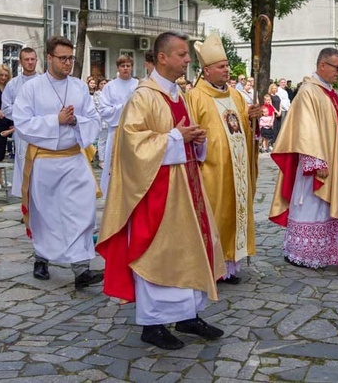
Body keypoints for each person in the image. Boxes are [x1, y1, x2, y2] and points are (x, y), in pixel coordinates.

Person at [97, 31, 225, 351]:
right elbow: (132, 147)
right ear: (163, 58)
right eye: (182, 55)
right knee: (160, 254)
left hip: (186, 187)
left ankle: (188, 315)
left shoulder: (178, 94)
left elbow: (184, 135)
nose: (187, 60)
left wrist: (195, 139)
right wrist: (176, 139)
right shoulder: (143, 97)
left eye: (187, 55)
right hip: (156, 192)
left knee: (190, 250)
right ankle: (152, 324)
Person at [268, 49, 338, 271]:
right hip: (317, 164)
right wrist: (315, 163)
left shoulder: (328, 92)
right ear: (322, 66)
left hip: (337, 159)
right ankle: (304, 252)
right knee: (314, 205)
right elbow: (304, 130)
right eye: (336, 68)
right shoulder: (308, 91)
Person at [13, 36, 103, 289]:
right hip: (45, 160)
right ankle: (41, 258)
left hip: (74, 157)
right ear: (49, 58)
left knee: (83, 211)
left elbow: (94, 119)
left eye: (71, 58)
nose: (68, 63)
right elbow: (21, 124)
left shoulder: (78, 87)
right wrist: (56, 120)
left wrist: (76, 122)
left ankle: (81, 269)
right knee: (46, 214)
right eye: (62, 58)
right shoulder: (31, 89)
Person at [186, 33, 260, 284]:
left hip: (236, 169)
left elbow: (244, 130)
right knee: (216, 215)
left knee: (234, 214)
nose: (227, 70)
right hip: (212, 170)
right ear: (206, 71)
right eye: (221, 66)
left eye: (227, 66)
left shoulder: (236, 95)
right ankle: (213, 265)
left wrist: (253, 119)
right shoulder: (195, 96)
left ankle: (229, 264)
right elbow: (192, 130)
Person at [96, 54, 139, 191]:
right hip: (115, 131)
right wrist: (123, 108)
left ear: (132, 67)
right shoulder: (110, 87)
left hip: (135, 131)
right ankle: (113, 191)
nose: (126, 68)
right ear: (118, 68)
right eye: (123, 66)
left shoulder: (138, 85)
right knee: (114, 164)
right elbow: (103, 109)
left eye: (128, 66)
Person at [1, 47, 39, 198]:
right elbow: (5, 107)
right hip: (22, 132)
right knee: (24, 165)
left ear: (36, 60)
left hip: (41, 130)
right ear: (21, 62)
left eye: (32, 59)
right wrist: (22, 115)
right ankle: (26, 206)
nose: (30, 63)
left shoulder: (45, 81)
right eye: (26, 60)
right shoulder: (13, 84)